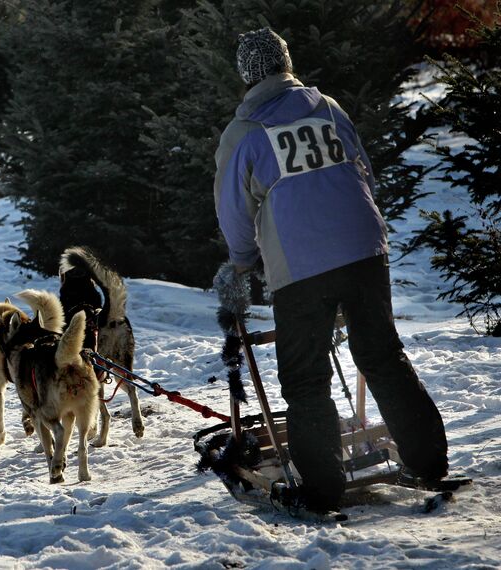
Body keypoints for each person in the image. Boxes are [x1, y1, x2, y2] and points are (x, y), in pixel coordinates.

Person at [213, 28, 449, 513]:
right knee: (383, 355)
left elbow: (234, 212)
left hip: (301, 266)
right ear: (285, 62)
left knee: (305, 379)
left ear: (247, 76)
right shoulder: (329, 108)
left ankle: (321, 491)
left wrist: (239, 266)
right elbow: (363, 170)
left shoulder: (244, 133)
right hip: (364, 247)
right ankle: (428, 463)